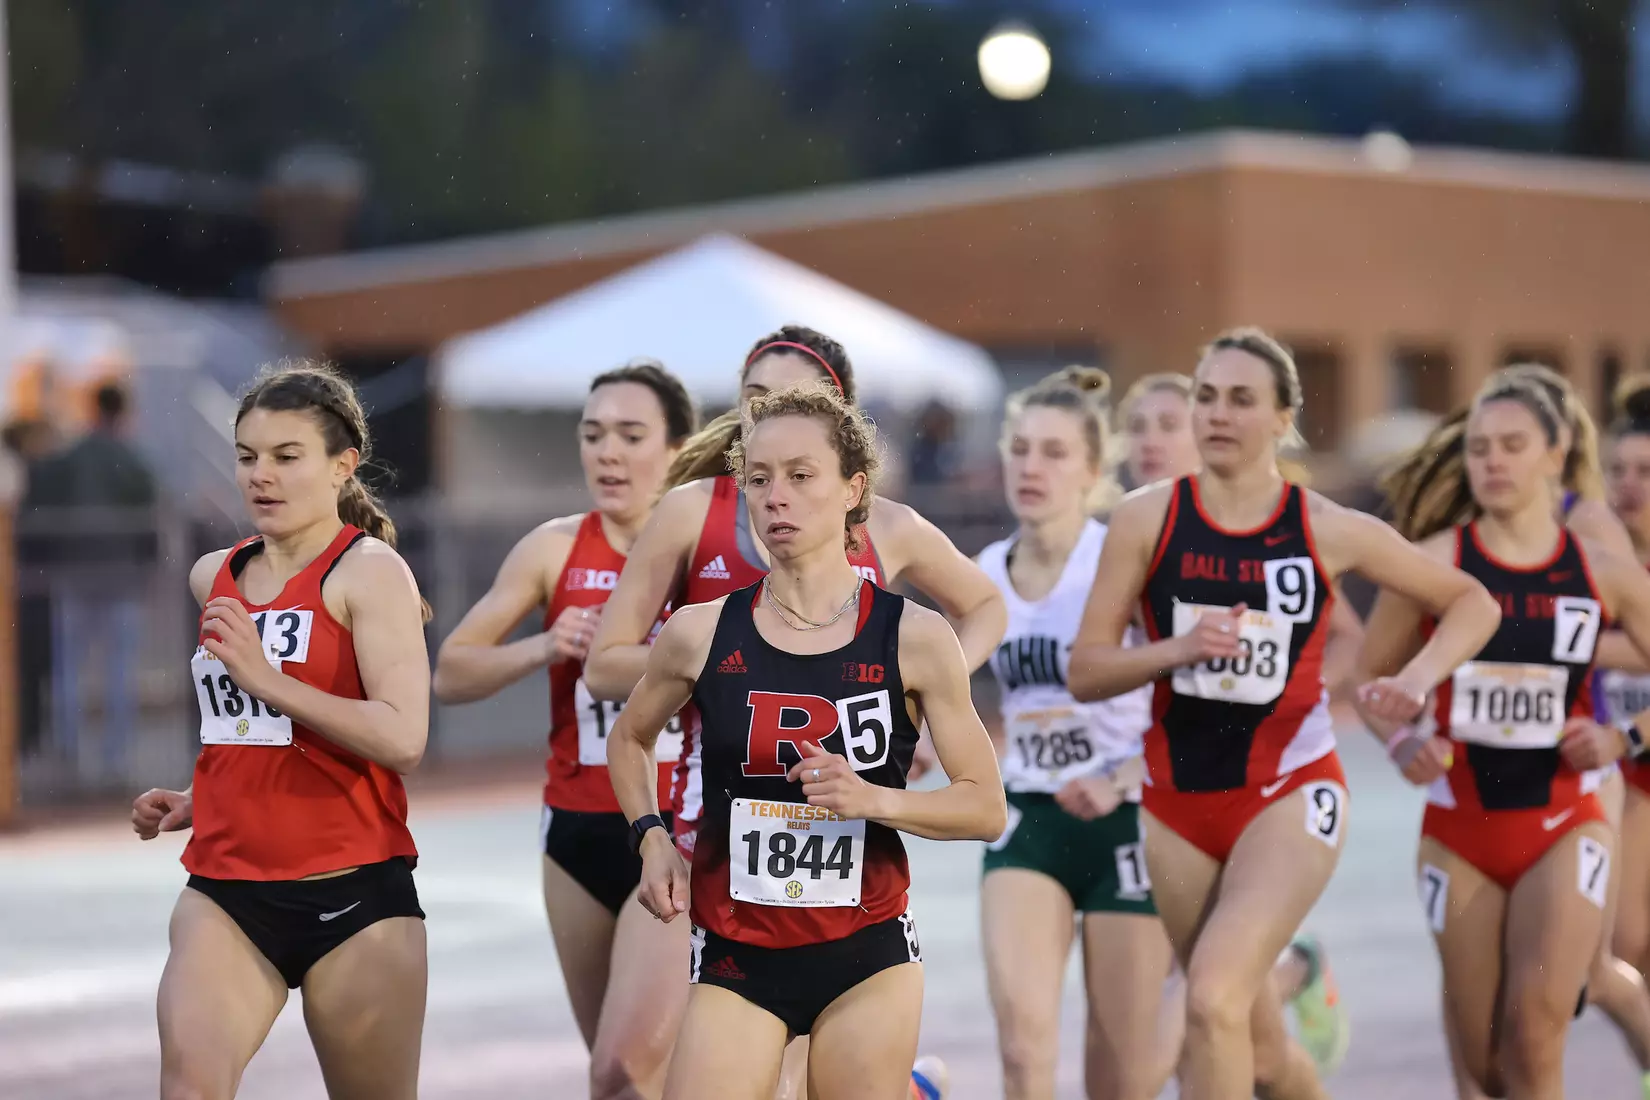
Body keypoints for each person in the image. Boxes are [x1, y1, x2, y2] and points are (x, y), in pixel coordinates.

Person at [1069, 327, 1501, 1100]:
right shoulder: (1145, 520)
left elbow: (1472, 601)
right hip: (1175, 802)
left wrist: (1422, 677)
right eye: (1205, 396)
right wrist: (1178, 649)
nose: (1217, 414)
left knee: (1208, 998)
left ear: (1281, 419)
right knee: (1259, 1049)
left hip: (1291, 791)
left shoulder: (1326, 529)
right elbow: (1087, 670)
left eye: (1241, 399)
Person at [585, 325, 1002, 1096]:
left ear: (853, 490)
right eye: (760, 479)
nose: (776, 496)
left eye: (802, 476)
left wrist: (873, 796)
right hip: (739, 954)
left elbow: (984, 808)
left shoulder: (914, 636)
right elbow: (628, 738)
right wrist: (649, 838)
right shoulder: (698, 633)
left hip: (867, 954)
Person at [130, 362, 431, 1100]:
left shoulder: (370, 574)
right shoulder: (214, 574)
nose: (261, 475)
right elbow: (247, 725)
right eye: (247, 456)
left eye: (286, 456)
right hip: (226, 892)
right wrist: (202, 793)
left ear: (342, 465)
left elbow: (402, 738)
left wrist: (271, 680)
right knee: (190, 1086)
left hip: (353, 897)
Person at [1359, 375, 1650, 1100]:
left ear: (1554, 455)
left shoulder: (1603, 572)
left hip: (1567, 818)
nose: (1492, 462)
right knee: (1485, 1060)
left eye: (1513, 446)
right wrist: (1399, 742)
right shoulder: (1431, 563)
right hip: (1458, 825)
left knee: (1534, 1035)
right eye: (1480, 448)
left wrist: (1626, 740)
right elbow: (1368, 675)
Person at [431, 362, 698, 1099]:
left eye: (630, 435)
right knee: (622, 1083)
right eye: (592, 435)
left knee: (624, 1063)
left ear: (677, 449)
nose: (607, 453)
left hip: (678, 831)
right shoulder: (554, 548)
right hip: (574, 837)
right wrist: (544, 646)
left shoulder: (708, 556)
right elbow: (450, 672)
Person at [1114, 369, 1355, 1079]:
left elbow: (1346, 639)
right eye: (1139, 428)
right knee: (1252, 1044)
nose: (1152, 442)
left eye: (1169, 424)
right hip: (1139, 797)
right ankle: (1291, 974)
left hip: (1230, 794)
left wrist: (1299, 699)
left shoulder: (1271, 545)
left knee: (1194, 1022)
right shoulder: (1127, 535)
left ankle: (1282, 974)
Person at [977, 366, 1177, 1100]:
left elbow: (1187, 699)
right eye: (1021, 449)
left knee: (1122, 1074)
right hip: (1028, 819)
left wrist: (1120, 777)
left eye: (1055, 452)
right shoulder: (981, 575)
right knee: (1024, 1051)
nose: (1032, 467)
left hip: (1127, 818)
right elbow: (941, 689)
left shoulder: (1120, 563)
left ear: (1093, 470)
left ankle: (1269, 980)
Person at [28, 380, 157, 775]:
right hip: (120, 576)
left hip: (75, 573)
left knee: (70, 667)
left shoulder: (69, 457)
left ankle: (68, 749)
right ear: (123, 410)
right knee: (119, 670)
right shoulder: (131, 459)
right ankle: (115, 757)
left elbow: (41, 497)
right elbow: (150, 513)